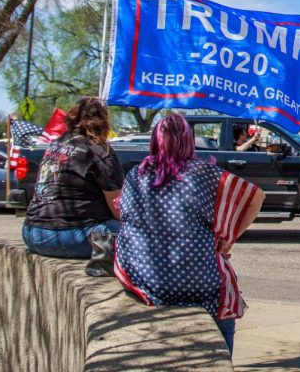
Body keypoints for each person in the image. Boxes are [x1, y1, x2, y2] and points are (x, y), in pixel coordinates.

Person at [115, 114, 265, 355]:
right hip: (199, 285)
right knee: (225, 299)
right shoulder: (205, 174)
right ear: (189, 141)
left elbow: (123, 215)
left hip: (147, 279)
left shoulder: (137, 174)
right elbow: (256, 197)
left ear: (155, 140)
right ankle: (223, 357)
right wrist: (229, 239)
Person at [22, 97, 124, 258]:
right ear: (102, 121)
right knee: (138, 234)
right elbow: (117, 208)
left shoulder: (56, 144)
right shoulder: (99, 150)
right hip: (65, 235)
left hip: (31, 232)